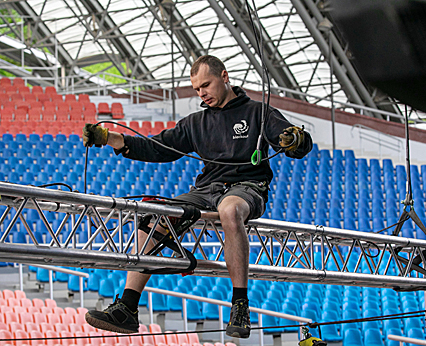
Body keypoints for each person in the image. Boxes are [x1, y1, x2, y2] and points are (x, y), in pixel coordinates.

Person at [83, 55, 313, 339]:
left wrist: (295, 140)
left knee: (230, 210)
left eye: (206, 84)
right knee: (152, 220)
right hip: (206, 190)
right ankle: (128, 307)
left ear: (224, 77)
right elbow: (158, 148)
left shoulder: (258, 112)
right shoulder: (196, 123)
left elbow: (292, 141)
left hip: (247, 185)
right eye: (196, 89)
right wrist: (110, 139)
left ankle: (240, 304)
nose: (202, 93)